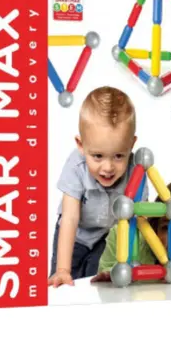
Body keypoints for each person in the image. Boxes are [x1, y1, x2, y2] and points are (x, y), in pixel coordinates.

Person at [48, 86, 147, 288]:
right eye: (98, 156)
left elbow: (140, 218)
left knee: (96, 283)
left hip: (106, 237)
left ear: (131, 144)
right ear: (81, 145)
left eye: (118, 156)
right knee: (64, 282)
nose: (108, 167)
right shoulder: (76, 166)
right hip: (75, 234)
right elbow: (70, 218)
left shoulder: (136, 171)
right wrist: (63, 270)